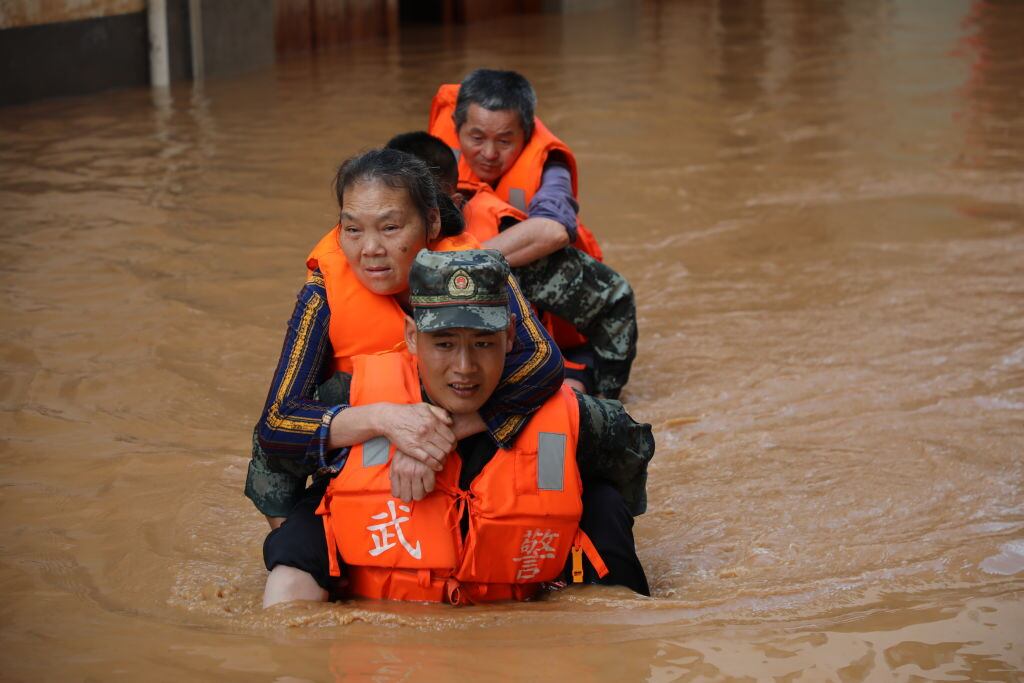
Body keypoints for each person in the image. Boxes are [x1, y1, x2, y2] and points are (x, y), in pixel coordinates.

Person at [262, 249, 654, 607]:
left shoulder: (570, 416)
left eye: (483, 344)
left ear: (511, 336)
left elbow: (631, 452)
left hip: (516, 617)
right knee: (297, 552)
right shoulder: (353, 396)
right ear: (412, 338)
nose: (465, 368)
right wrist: (296, 528)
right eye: (444, 344)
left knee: (604, 506)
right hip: (393, 633)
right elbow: (273, 450)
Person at [245, 149, 564, 529]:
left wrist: (440, 431)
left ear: (431, 223)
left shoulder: (471, 269)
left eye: (390, 228)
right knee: (270, 445)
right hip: (370, 432)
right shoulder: (324, 291)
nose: (370, 249)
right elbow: (278, 420)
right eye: (353, 229)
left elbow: (543, 360)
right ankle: (295, 546)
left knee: (562, 405)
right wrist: (386, 419)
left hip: (467, 421)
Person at [388, 130, 636, 398]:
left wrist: (605, 393)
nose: (375, 244)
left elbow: (614, 298)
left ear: (448, 207)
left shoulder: (505, 250)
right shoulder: (360, 260)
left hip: (515, 384)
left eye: (421, 210)